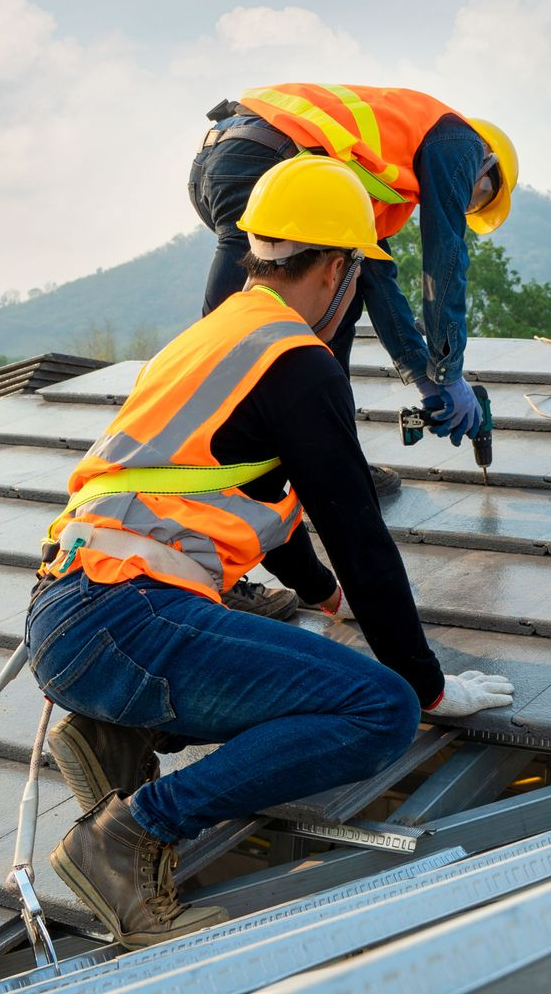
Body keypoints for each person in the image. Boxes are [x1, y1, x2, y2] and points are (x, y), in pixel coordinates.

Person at [29, 154, 515, 948]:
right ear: (333, 268)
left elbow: (258, 499)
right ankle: (132, 834)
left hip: (74, 612)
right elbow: (359, 531)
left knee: (302, 661)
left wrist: (326, 598)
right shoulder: (297, 363)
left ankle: (117, 733)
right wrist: (427, 685)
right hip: (128, 616)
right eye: (356, 273)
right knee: (377, 709)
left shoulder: (217, 335)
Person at [188, 84, 518, 493]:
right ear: (486, 162)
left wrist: (423, 374)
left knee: (340, 296)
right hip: (266, 158)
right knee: (230, 334)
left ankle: (330, 463)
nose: (466, 200)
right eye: (481, 193)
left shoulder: (375, 182)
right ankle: (201, 459)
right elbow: (445, 261)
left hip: (218, 159)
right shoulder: (461, 141)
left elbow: (379, 281)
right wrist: (449, 372)